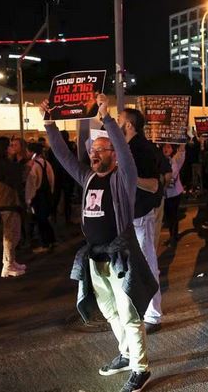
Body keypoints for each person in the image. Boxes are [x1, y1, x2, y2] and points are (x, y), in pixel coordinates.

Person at [41, 95, 157, 392]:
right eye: (92, 150)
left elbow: (125, 152)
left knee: (129, 314)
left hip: (121, 257)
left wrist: (106, 118)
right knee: (110, 312)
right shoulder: (88, 177)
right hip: (95, 259)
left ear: (113, 155)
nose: (93, 154)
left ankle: (141, 368)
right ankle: (127, 353)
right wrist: (49, 124)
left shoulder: (124, 177)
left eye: (100, 150)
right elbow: (63, 156)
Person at [118, 108, 163, 334]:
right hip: (128, 216)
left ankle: (153, 314)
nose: (115, 123)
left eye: (119, 119)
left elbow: (153, 185)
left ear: (129, 125)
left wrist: (130, 176)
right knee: (130, 267)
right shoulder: (125, 147)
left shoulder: (142, 149)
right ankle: (137, 309)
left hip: (141, 216)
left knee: (147, 264)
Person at [0, 137, 27, 277]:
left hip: (5, 202)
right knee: (11, 234)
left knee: (12, 233)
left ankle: (10, 261)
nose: (13, 148)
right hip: (7, 202)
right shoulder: (3, 164)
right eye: (10, 145)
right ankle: (8, 265)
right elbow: (17, 177)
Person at [25, 142, 56, 253]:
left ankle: (45, 244)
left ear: (32, 152)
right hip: (47, 194)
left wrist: (29, 199)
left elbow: (32, 184)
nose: (27, 153)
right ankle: (51, 240)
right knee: (45, 219)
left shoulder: (33, 165)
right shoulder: (46, 163)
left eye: (27, 151)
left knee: (40, 220)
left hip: (38, 196)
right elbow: (51, 180)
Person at [163, 144, 186, 247]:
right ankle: (172, 235)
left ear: (172, 149)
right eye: (164, 147)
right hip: (165, 193)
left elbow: (181, 152)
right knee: (168, 216)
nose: (166, 149)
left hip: (175, 192)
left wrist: (182, 142)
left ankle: (173, 236)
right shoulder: (159, 161)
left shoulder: (175, 160)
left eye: (169, 147)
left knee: (173, 215)